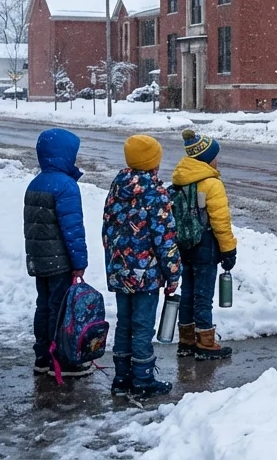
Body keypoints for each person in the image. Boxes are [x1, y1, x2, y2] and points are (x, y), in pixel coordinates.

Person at [102, 134, 182, 397]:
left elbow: (107, 228)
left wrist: (115, 262)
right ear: (153, 163)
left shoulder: (117, 186)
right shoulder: (155, 193)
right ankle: (143, 378)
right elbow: (165, 237)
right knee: (143, 325)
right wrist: (172, 273)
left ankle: (121, 377)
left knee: (124, 323)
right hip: (146, 273)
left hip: (120, 269)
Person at [23, 128, 90, 378]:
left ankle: (42, 355)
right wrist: (79, 262)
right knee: (61, 309)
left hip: (40, 260)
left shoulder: (36, 182)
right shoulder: (66, 185)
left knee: (44, 306)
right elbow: (72, 229)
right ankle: (60, 359)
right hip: (60, 261)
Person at [170, 129, 237, 360]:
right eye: (215, 155)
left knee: (187, 292)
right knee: (203, 295)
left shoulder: (180, 179)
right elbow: (220, 221)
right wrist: (229, 249)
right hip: (205, 246)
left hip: (184, 245)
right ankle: (206, 342)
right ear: (207, 158)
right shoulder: (210, 183)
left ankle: (186, 340)